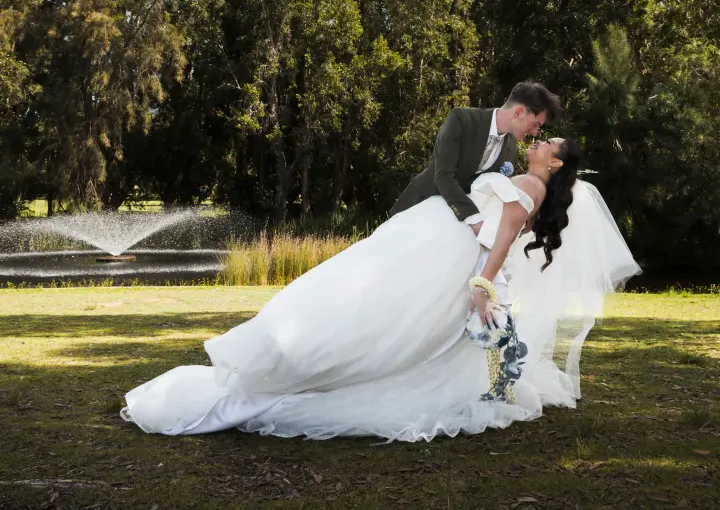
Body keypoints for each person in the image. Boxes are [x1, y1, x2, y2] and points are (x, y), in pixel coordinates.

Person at [122, 138, 640, 442]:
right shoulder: (526, 181)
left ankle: (298, 363)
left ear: (554, 164)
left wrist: (482, 283)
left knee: (365, 307)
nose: (539, 142)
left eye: (548, 144)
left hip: (440, 253)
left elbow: (500, 238)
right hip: (432, 241)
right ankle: (299, 362)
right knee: (366, 304)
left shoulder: (530, 186)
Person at [390, 82, 562, 237]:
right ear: (518, 112)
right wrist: (474, 219)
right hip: (417, 207)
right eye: (535, 124)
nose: (534, 133)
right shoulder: (461, 119)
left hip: (448, 229)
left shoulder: (512, 150)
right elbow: (443, 175)